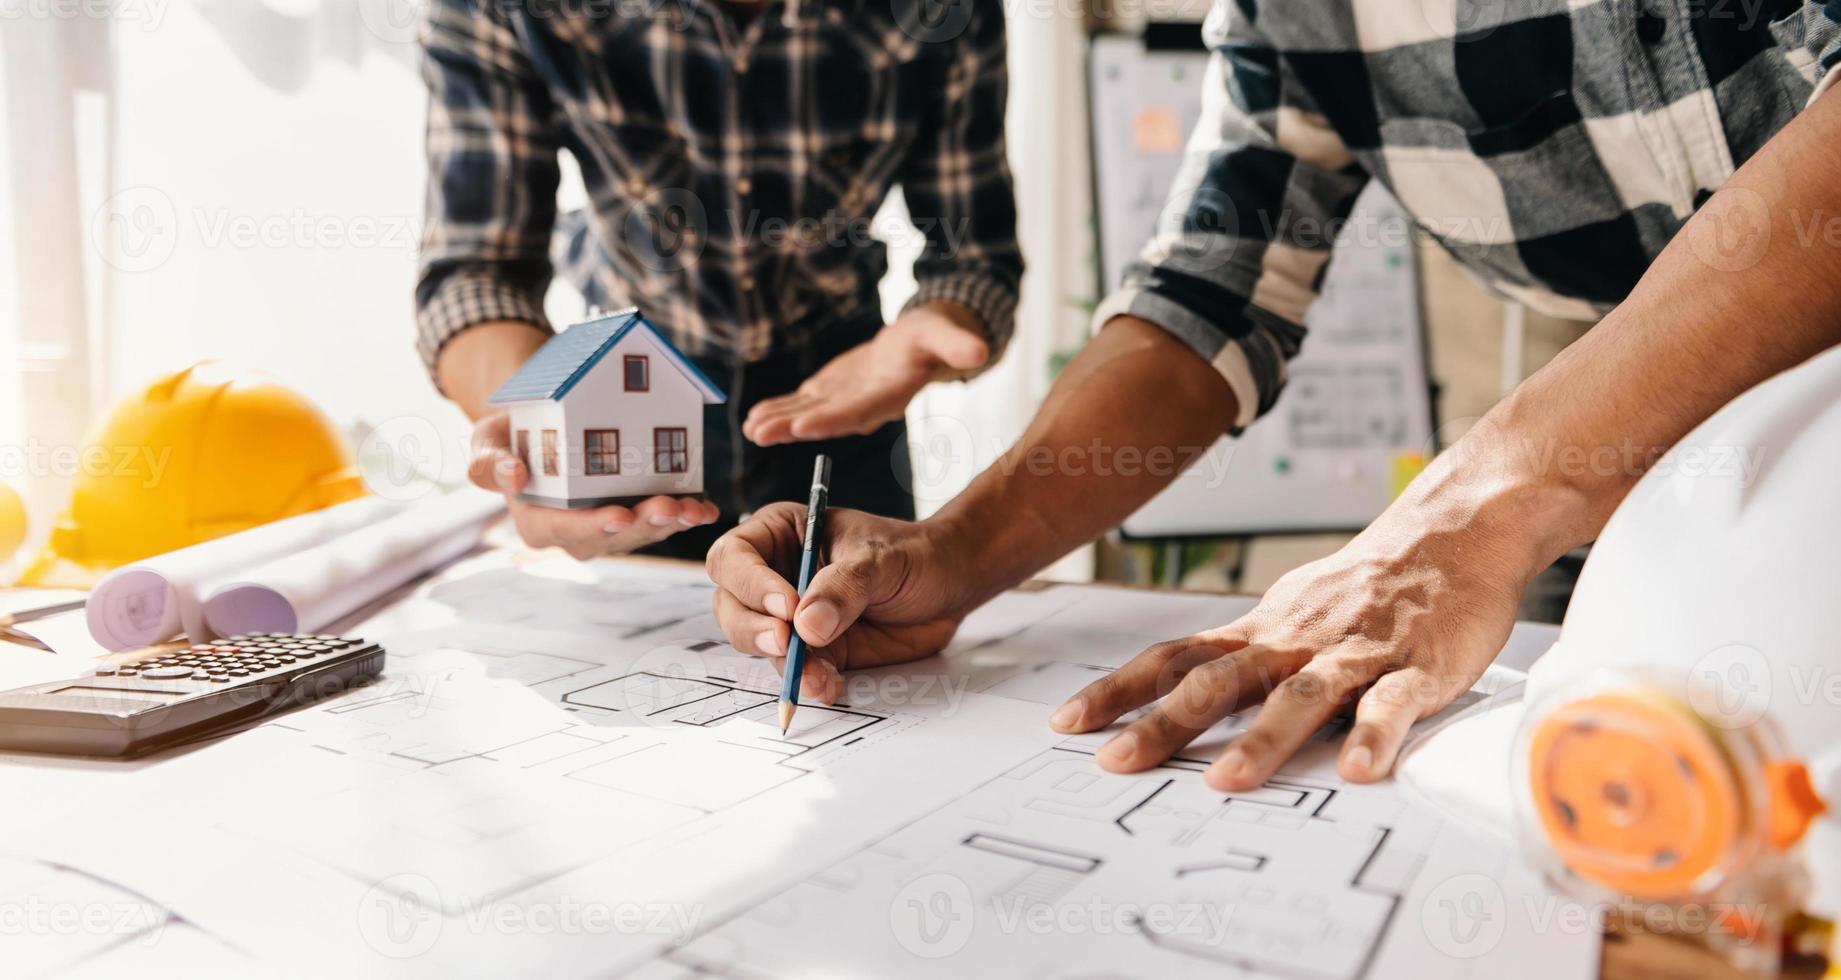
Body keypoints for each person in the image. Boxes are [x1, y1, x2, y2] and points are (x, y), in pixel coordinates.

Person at [709, 0, 1841, 788]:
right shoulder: (1293, 17)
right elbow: (1206, 296)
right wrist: (961, 547)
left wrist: (1468, 512)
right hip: (1692, 500)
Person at [415, 0, 1022, 560]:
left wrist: (940, 322)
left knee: (861, 645)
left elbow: (974, 256)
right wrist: (536, 424)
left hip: (849, 396)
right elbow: (477, 272)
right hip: (629, 399)